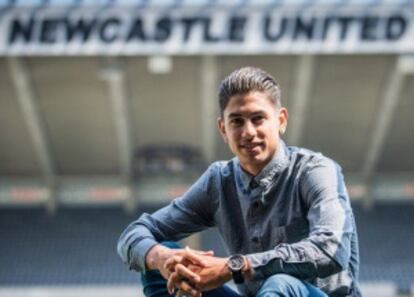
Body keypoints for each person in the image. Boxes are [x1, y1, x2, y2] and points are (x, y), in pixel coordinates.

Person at [117, 67, 361, 297]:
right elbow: (134, 233)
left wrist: (234, 266)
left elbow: (331, 250)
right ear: (223, 129)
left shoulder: (316, 171)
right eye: (236, 121)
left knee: (280, 283)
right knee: (166, 265)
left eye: (258, 118)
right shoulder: (218, 181)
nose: (248, 132)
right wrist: (161, 257)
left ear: (281, 120)